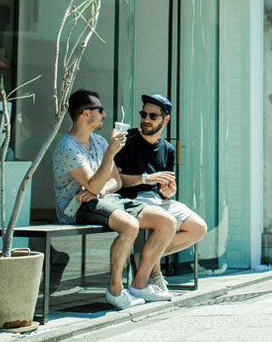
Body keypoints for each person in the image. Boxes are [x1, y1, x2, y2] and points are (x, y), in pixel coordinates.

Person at [52, 90, 178, 309]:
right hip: (76, 207)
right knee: (130, 226)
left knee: (167, 222)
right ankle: (115, 289)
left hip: (106, 199)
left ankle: (139, 284)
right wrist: (109, 157)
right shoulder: (68, 148)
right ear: (85, 114)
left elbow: (115, 182)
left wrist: (99, 190)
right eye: (99, 110)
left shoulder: (99, 142)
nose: (104, 114)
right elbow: (91, 185)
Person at [115, 94, 207, 292]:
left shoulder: (168, 149)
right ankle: (142, 282)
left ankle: (143, 257)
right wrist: (145, 178)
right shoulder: (128, 140)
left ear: (166, 119)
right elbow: (115, 181)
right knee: (166, 222)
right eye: (143, 114)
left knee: (198, 228)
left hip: (158, 201)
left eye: (153, 116)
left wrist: (168, 193)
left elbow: (164, 189)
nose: (146, 119)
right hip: (133, 200)